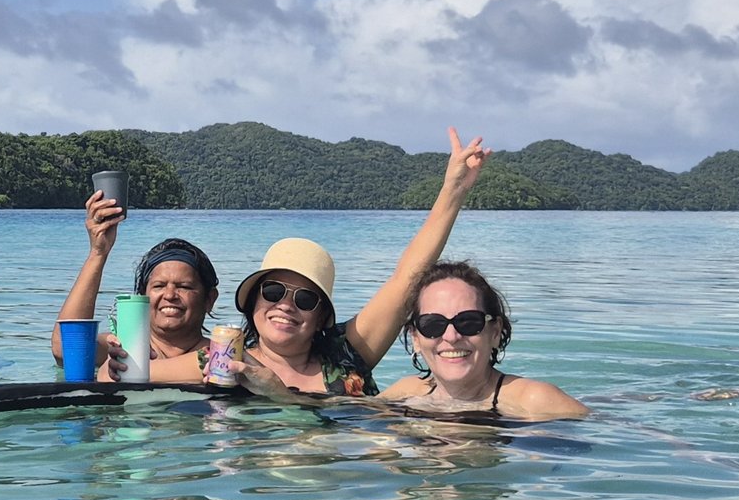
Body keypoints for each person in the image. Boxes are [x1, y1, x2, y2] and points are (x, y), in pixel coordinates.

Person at [235, 129, 490, 397]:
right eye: (273, 292)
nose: (285, 306)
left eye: (306, 299)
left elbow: (407, 280)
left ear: (322, 316)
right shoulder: (225, 360)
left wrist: (454, 189)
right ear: (254, 300)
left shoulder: (344, 357)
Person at [379, 260, 587, 420]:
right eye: (433, 324)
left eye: (469, 322)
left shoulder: (534, 401)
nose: (451, 337)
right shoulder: (405, 393)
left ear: (495, 332)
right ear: (415, 337)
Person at [52, 191, 218, 380]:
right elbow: (65, 349)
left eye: (185, 286)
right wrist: (98, 253)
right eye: (159, 286)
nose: (170, 295)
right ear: (142, 298)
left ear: (210, 299)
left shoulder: (225, 356)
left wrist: (124, 371)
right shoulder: (122, 349)